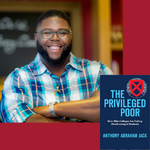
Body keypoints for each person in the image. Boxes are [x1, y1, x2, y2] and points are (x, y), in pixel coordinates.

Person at [0, 9, 113, 123]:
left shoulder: (99, 71)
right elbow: (20, 129)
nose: (55, 38)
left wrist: (51, 109)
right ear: (36, 38)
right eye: (47, 32)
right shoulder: (17, 79)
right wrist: (90, 122)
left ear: (71, 36)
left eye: (62, 32)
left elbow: (115, 115)